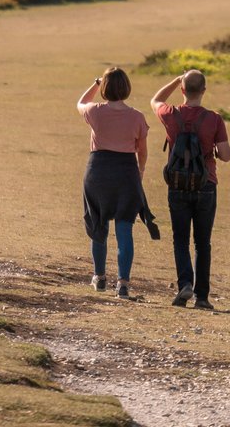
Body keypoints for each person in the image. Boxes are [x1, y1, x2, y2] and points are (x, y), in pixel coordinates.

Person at [151, 69, 230, 310]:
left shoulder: (170, 114)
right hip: (206, 184)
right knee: (202, 242)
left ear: (183, 90)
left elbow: (155, 100)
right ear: (204, 90)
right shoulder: (214, 119)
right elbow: (226, 155)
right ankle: (202, 297)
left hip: (177, 184)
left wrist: (176, 80)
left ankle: (185, 283)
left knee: (180, 239)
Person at [78, 67, 149, 299]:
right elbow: (142, 152)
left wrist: (96, 83)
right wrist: (140, 172)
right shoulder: (137, 117)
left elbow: (81, 102)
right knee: (124, 228)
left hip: (98, 171)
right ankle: (123, 284)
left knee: (98, 225)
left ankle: (99, 277)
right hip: (126, 172)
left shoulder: (95, 111)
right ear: (127, 88)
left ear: (105, 89)